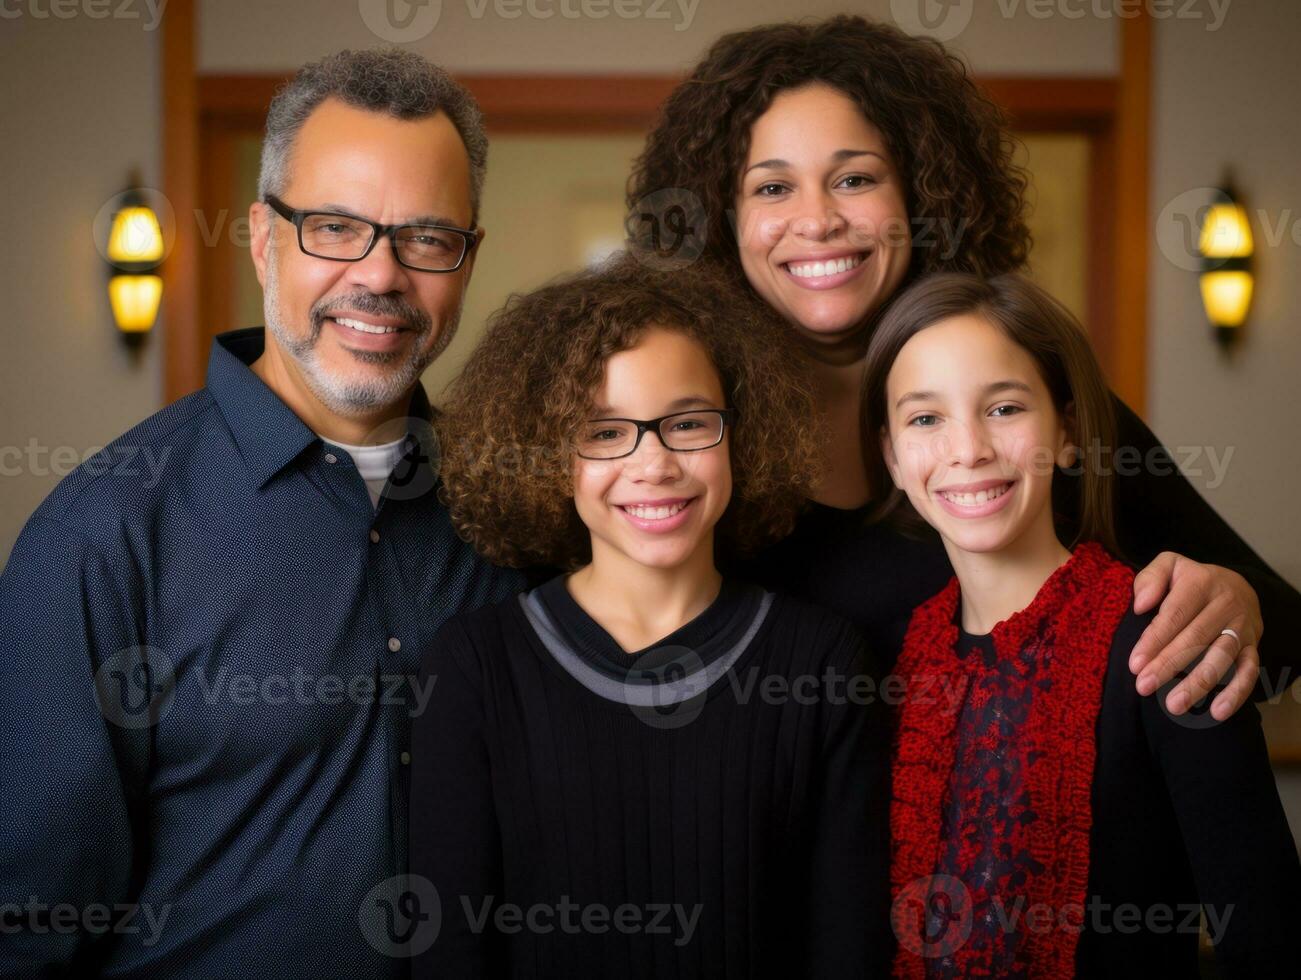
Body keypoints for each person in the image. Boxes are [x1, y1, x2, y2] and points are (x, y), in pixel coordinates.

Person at [0, 50, 521, 976]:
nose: (382, 276)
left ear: (468, 257)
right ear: (260, 235)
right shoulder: (103, 538)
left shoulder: (516, 517)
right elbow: (31, 930)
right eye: (335, 228)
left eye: (427, 238)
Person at [626, 14, 1301, 719]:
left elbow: (1283, 641)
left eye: (854, 178)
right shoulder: (685, 432)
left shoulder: (1031, 409)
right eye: (771, 189)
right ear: (718, 220)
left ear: (921, 197)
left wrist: (1236, 604)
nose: (818, 218)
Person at [409, 256, 892, 977]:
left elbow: (846, 945)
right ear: (546, 453)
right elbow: (451, 952)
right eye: (603, 433)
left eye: (687, 423)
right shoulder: (475, 668)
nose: (653, 462)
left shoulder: (822, 662)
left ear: (740, 433)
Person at [863, 272, 1300, 976]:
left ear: (1067, 432)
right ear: (890, 456)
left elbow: (1267, 938)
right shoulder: (881, 659)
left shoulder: (1165, 642)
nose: (967, 447)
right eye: (925, 419)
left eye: (1003, 408)